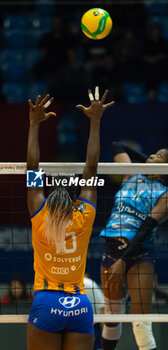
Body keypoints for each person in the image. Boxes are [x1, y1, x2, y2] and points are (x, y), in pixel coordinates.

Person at [26, 89, 114, 350]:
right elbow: (91, 168)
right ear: (75, 202)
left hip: (47, 302)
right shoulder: (83, 216)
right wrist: (95, 122)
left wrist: (33, 125)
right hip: (80, 305)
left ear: (48, 201)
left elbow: (32, 166)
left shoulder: (40, 214)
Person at [100, 142, 168, 350]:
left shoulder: (167, 195)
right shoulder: (130, 174)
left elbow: (145, 229)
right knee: (111, 317)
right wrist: (149, 161)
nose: (152, 156)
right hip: (111, 251)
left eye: (159, 156)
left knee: (141, 323)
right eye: (152, 154)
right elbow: (117, 145)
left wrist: (123, 261)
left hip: (138, 255)